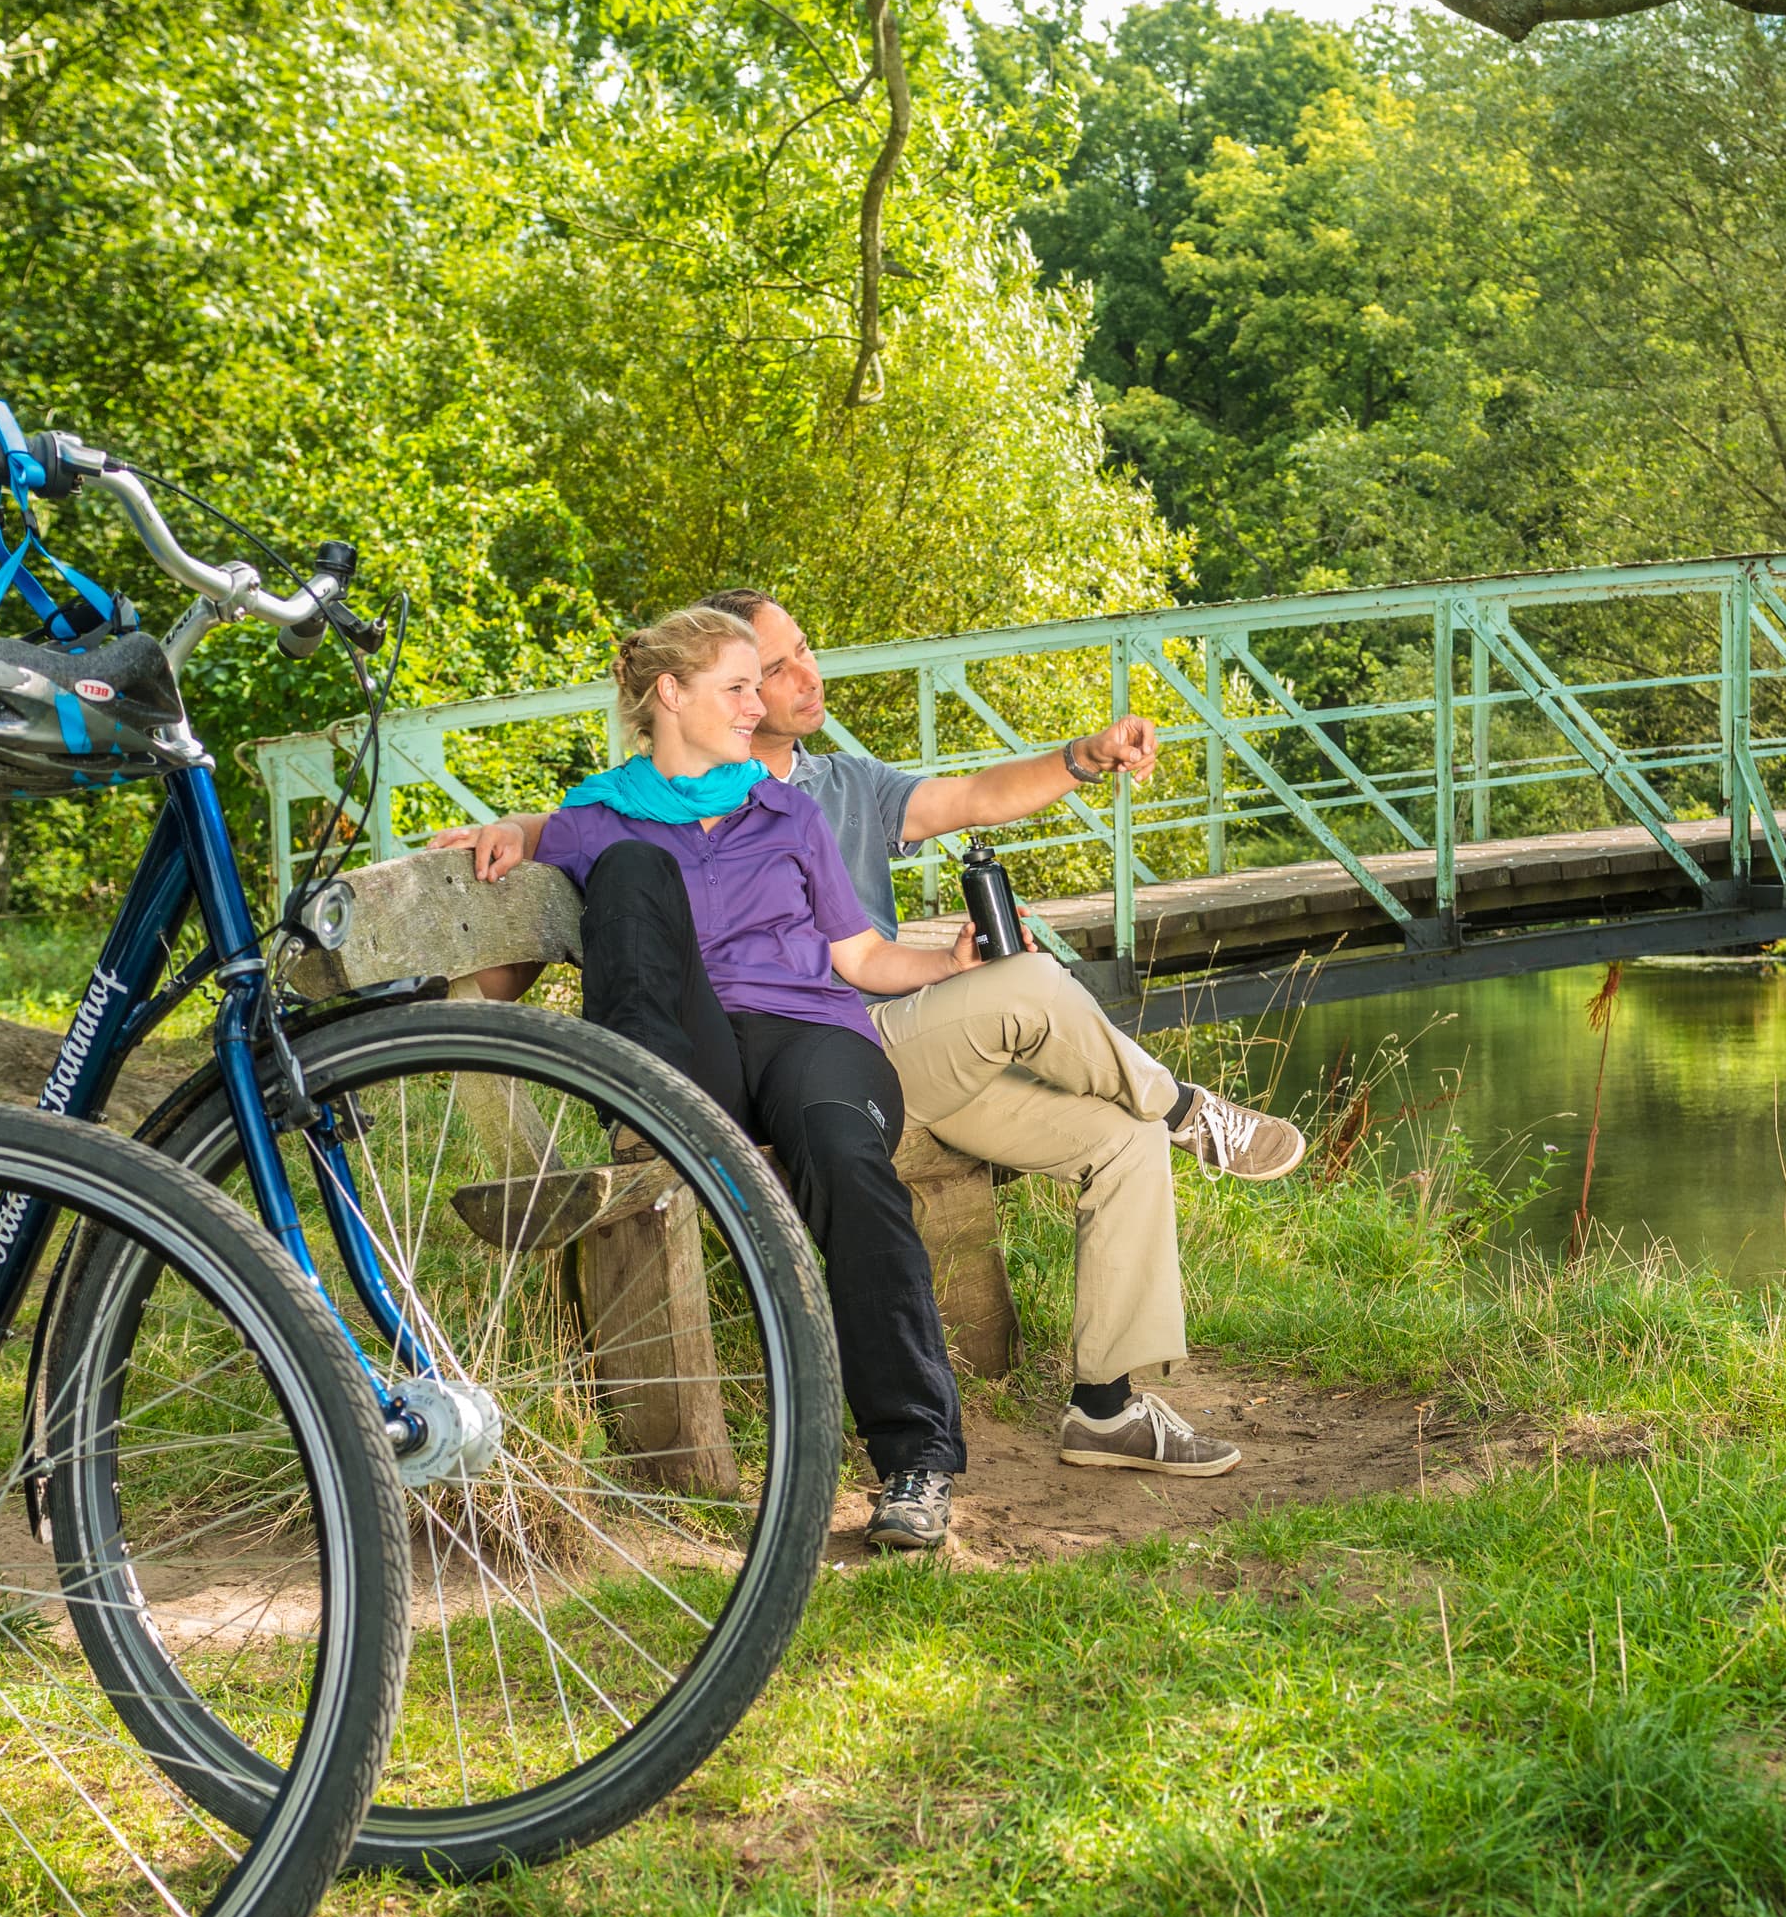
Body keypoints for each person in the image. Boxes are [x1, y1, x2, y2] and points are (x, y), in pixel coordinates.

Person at [438, 590, 1308, 1487]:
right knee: (1033, 986)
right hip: (814, 1044)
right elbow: (581, 847)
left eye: (793, 655)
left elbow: (959, 812)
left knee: (1119, 1137)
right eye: (763, 672)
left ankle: (1107, 1406)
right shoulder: (626, 811)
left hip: (868, 1040)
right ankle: (1187, 1108)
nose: (795, 680)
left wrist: (1079, 763)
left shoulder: (830, 790)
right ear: (679, 692)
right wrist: (515, 835)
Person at [517, 606, 983, 1553]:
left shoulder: (788, 809)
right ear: (669, 694)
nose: (755, 702)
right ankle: (648, 1106)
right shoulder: (588, 822)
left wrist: (947, 964)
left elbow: (858, 954)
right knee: (634, 867)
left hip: (813, 1033)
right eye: (736, 686)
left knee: (846, 1159)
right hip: (694, 1053)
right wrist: (499, 848)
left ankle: (915, 1459)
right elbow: (504, 978)